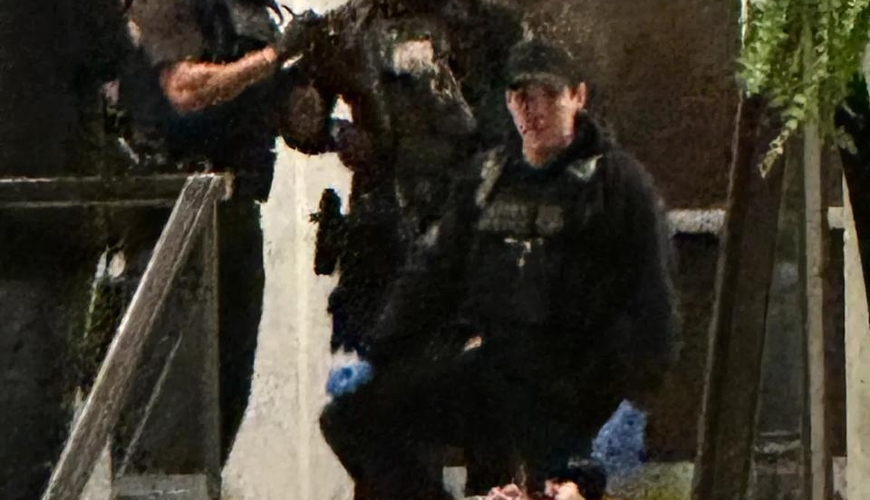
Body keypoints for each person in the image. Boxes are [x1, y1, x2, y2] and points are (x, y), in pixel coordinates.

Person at [319, 38, 680, 500]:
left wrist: (634, 402)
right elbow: (433, 276)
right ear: (509, 102)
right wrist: (378, 355)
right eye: (522, 96)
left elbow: (653, 303)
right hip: (499, 371)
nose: (535, 109)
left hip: (578, 388)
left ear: (578, 97)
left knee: (555, 487)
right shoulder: (487, 178)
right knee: (352, 418)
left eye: (550, 94)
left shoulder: (617, 185)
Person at [85, 0, 329, 465]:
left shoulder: (252, 12)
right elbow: (184, 89)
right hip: (172, 219)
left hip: (233, 213)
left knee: (224, 396)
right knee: (169, 404)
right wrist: (272, 58)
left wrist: (316, 76)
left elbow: (297, 121)